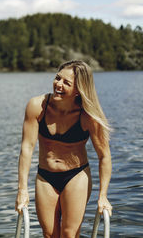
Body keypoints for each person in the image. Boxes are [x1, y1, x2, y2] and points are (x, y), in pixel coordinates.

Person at [15, 60, 112, 237]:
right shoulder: (37, 106)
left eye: (66, 82)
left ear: (78, 89)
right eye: (57, 78)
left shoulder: (88, 116)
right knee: (50, 234)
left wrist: (103, 196)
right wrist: (22, 190)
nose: (58, 84)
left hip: (76, 176)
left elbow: (104, 156)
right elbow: (27, 149)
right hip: (46, 176)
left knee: (69, 234)